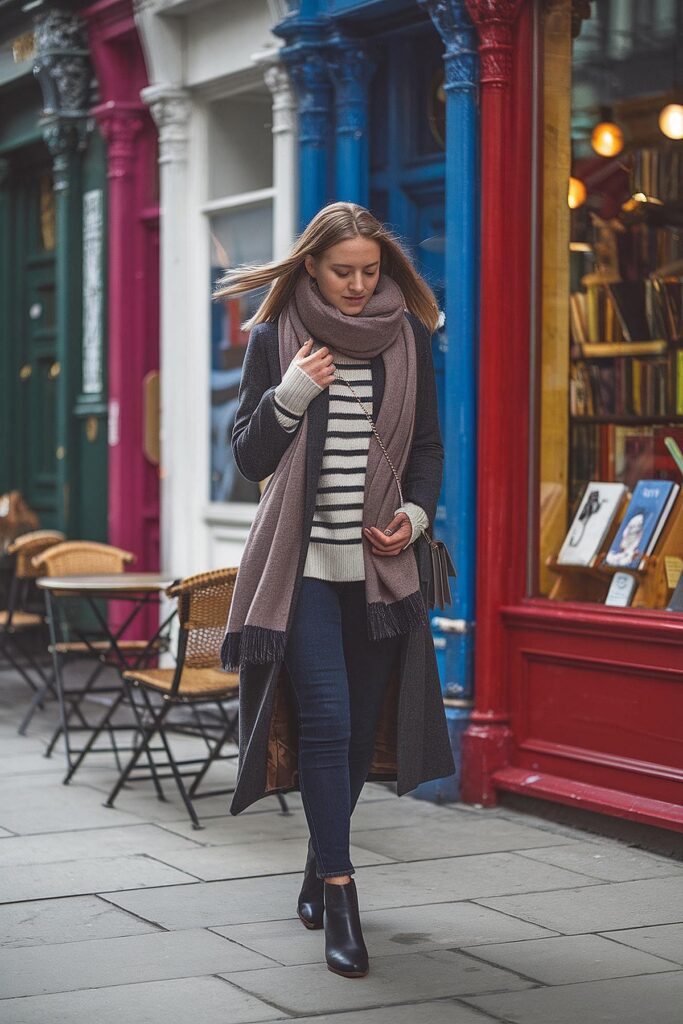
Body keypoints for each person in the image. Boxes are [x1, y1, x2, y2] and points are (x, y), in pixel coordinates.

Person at [216, 202, 455, 979]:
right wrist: (288, 393)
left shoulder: (409, 339)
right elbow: (250, 459)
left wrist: (415, 517)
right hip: (303, 570)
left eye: (370, 271)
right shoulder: (275, 336)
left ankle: (320, 862)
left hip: (381, 572)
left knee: (357, 738)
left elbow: (424, 447)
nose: (357, 286)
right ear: (311, 267)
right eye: (342, 271)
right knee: (324, 719)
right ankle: (343, 895)